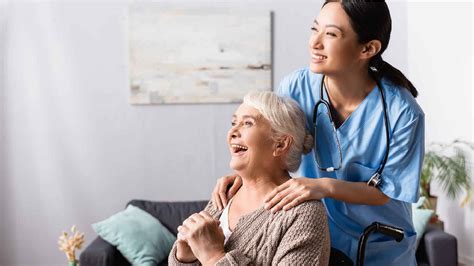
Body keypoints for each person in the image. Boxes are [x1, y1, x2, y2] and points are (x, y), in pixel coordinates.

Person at [212, 1, 424, 265]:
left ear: (368, 48)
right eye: (315, 29)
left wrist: (322, 186)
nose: (315, 42)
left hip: (380, 246)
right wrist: (243, 176)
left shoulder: (403, 113)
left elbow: (386, 192)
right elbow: (275, 146)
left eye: (331, 34)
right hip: (317, 238)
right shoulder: (296, 87)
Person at [169, 91, 330, 265]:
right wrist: (186, 257)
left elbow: (211, 257)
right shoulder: (227, 193)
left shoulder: (304, 213)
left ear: (280, 144)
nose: (232, 132)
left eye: (247, 123)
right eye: (233, 123)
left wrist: (213, 257)